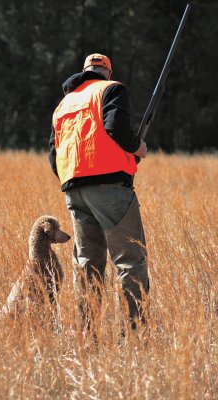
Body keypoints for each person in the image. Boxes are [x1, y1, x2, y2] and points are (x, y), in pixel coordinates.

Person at [49, 53, 149, 330]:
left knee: (87, 264)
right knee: (129, 260)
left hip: (74, 190)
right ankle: (135, 334)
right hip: (110, 188)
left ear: (84, 71)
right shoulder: (112, 89)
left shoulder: (64, 104)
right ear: (107, 71)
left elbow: (53, 154)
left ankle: (87, 335)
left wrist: (73, 176)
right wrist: (136, 147)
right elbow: (115, 127)